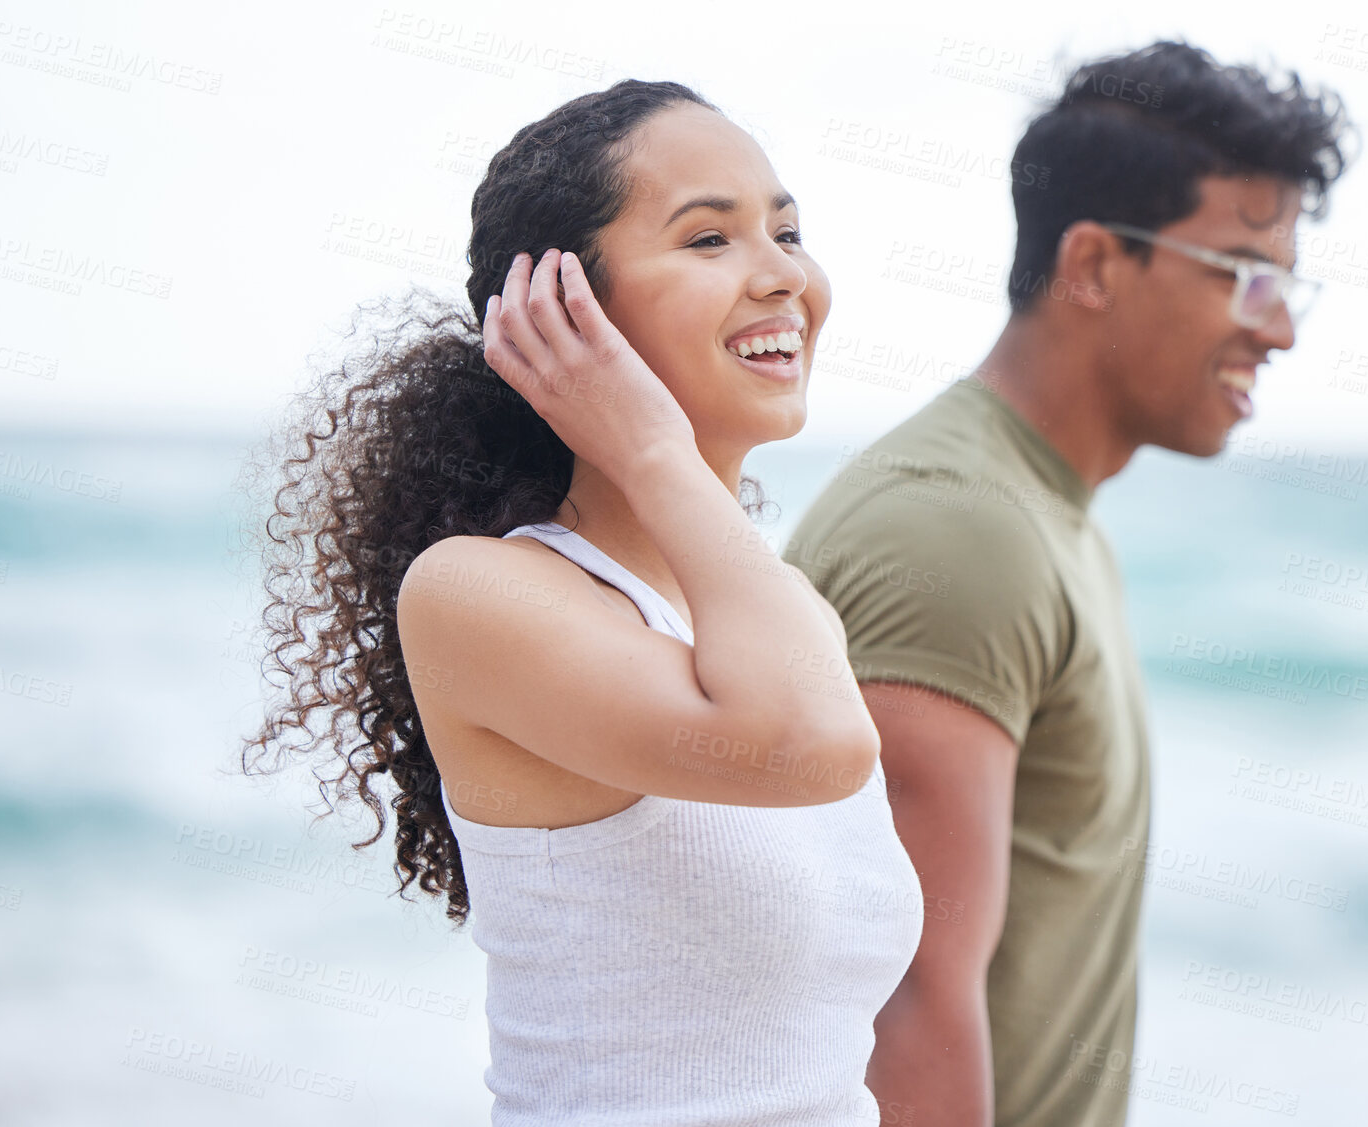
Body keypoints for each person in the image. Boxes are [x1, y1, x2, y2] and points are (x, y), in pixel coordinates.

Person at [242, 79, 922, 1125]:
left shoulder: (773, 610)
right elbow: (811, 744)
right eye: (710, 240)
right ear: (564, 309)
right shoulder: (478, 591)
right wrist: (649, 445)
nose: (783, 273)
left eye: (787, 231)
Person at [780, 41, 1351, 1127]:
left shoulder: (1045, 516)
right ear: (1093, 264)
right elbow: (902, 994)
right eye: (1245, 274)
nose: (1277, 328)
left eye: (1289, 284)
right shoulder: (958, 527)